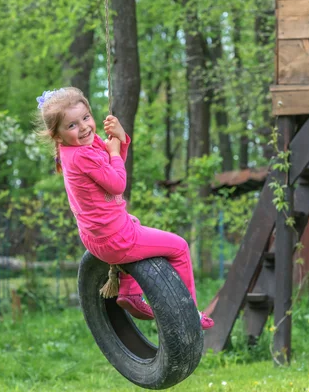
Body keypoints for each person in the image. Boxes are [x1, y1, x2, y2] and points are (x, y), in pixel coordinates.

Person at [36, 87, 214, 329]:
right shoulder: (83, 156)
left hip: (95, 238)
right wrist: (114, 153)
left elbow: (110, 160)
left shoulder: (76, 149)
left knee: (134, 220)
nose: (85, 127)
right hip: (116, 240)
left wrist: (120, 138)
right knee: (180, 247)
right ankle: (189, 313)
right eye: (72, 125)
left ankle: (129, 293)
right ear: (57, 135)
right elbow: (118, 183)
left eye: (86, 117)